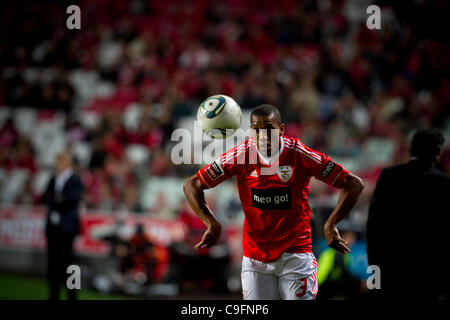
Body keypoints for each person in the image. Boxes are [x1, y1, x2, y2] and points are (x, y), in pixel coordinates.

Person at [183, 104, 364, 300]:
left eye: (269, 129)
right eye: (257, 130)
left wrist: (332, 223)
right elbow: (192, 185)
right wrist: (210, 221)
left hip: (296, 254)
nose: (263, 136)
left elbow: (353, 184)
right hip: (255, 257)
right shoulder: (240, 155)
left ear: (281, 129)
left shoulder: (299, 154)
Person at [367, 128, 450, 299]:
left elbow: (374, 227)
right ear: (437, 154)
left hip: (391, 271)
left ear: (411, 150)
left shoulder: (388, 176)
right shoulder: (443, 183)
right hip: (428, 275)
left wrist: (374, 274)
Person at [42, 152, 84, 300]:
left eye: (62, 161)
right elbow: (45, 197)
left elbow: (71, 200)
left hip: (67, 228)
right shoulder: (54, 179)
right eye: (58, 161)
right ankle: (53, 294)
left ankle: (72, 295)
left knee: (69, 264)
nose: (58, 164)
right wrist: (57, 199)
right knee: (53, 263)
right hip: (53, 228)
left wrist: (56, 199)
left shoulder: (75, 180)